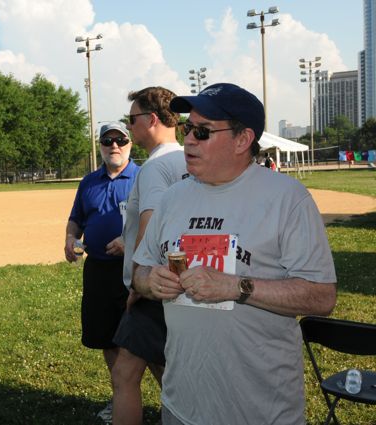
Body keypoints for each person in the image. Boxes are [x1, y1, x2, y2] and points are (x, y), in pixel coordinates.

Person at [132, 83, 337, 425]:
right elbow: (139, 270)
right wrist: (149, 281)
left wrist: (236, 287)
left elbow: (322, 296)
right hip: (181, 406)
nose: (188, 140)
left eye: (202, 131)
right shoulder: (171, 198)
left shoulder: (288, 199)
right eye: (186, 129)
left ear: (243, 140)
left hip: (261, 412)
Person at [111, 87, 188, 425]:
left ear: (152, 119)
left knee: (124, 373)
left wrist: (137, 283)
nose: (129, 127)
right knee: (166, 368)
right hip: (180, 276)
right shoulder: (189, 159)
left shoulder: (155, 167)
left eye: (132, 119)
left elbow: (151, 224)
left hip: (153, 284)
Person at [64, 121, 139, 423]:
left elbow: (157, 222)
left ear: (130, 143)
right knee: (106, 338)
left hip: (133, 270)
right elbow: (76, 218)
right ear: (100, 146)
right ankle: (120, 395)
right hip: (97, 270)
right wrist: (70, 238)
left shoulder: (142, 178)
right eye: (107, 141)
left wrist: (129, 242)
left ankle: (169, 401)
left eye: (120, 140)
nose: (114, 146)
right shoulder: (89, 182)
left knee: (144, 338)